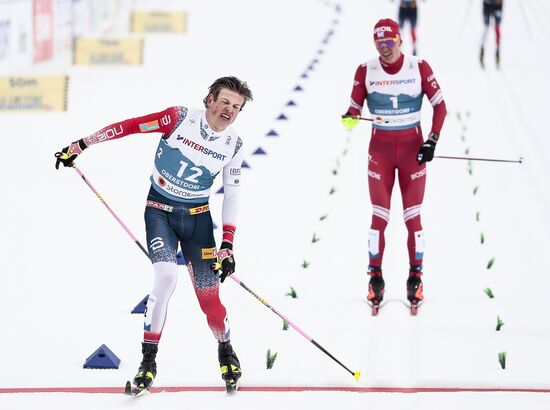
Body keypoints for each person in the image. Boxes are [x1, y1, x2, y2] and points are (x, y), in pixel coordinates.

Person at [55, 76, 253, 392]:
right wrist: (82, 144)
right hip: (159, 210)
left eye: (237, 107)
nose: (229, 111)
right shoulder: (177, 119)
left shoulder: (234, 145)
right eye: (225, 102)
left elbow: (233, 194)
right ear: (209, 100)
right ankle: (148, 361)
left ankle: (225, 347)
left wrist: (227, 244)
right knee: (165, 278)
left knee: (210, 303)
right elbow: (130, 126)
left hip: (197, 220)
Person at [341, 19, 446, 309]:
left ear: (400, 41)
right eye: (379, 44)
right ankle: (375, 279)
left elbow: (440, 106)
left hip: (414, 151)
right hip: (381, 152)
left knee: (413, 218)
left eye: (389, 43)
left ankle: (416, 278)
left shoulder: (418, 67)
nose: (385, 49)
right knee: (379, 218)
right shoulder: (366, 70)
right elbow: (353, 108)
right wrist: (349, 117)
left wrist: (432, 141)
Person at [480, 0, 503, 68]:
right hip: (487, 4)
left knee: (496, 28)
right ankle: (482, 52)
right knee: (486, 28)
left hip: (498, 4)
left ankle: (497, 53)